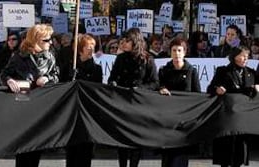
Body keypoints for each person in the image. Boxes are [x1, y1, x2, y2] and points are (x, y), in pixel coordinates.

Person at [0, 24, 59, 167]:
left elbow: (56, 75)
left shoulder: (50, 57)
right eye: (46, 40)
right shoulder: (19, 57)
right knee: (23, 147)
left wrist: (48, 79)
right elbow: (4, 74)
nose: (50, 42)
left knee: (37, 146)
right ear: (35, 40)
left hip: (41, 106)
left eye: (50, 39)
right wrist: (9, 80)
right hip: (23, 104)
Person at [107, 28, 158, 167]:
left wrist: (140, 89)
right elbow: (112, 78)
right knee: (122, 139)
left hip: (138, 104)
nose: (123, 43)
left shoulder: (147, 59)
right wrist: (113, 83)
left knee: (135, 139)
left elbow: (154, 83)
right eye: (123, 40)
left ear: (135, 41)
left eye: (127, 40)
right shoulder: (120, 58)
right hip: (122, 103)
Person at [207, 46, 259, 167]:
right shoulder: (223, 71)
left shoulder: (251, 73)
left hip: (243, 118)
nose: (245, 58)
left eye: (247, 56)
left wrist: (256, 90)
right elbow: (211, 88)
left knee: (240, 148)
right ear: (234, 56)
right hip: (227, 115)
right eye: (242, 56)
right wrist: (217, 89)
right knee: (226, 147)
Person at [158, 38, 201, 167]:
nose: (177, 53)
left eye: (179, 50)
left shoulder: (191, 71)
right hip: (168, 117)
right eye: (174, 50)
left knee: (181, 154)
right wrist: (161, 89)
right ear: (170, 52)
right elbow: (157, 87)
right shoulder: (163, 70)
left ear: (184, 52)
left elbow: (197, 93)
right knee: (167, 153)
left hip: (184, 117)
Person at [66, 34, 102, 167]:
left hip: (88, 111)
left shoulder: (97, 69)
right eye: (88, 46)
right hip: (72, 111)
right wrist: (72, 77)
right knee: (72, 150)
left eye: (93, 46)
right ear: (80, 49)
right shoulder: (71, 66)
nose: (92, 49)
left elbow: (96, 89)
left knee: (85, 149)